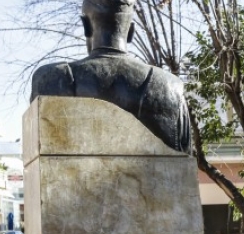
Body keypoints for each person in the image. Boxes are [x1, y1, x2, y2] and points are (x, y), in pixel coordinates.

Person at [30, 0, 190, 153]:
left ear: (86, 26)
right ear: (131, 32)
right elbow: (186, 162)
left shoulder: (49, 80)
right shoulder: (171, 86)